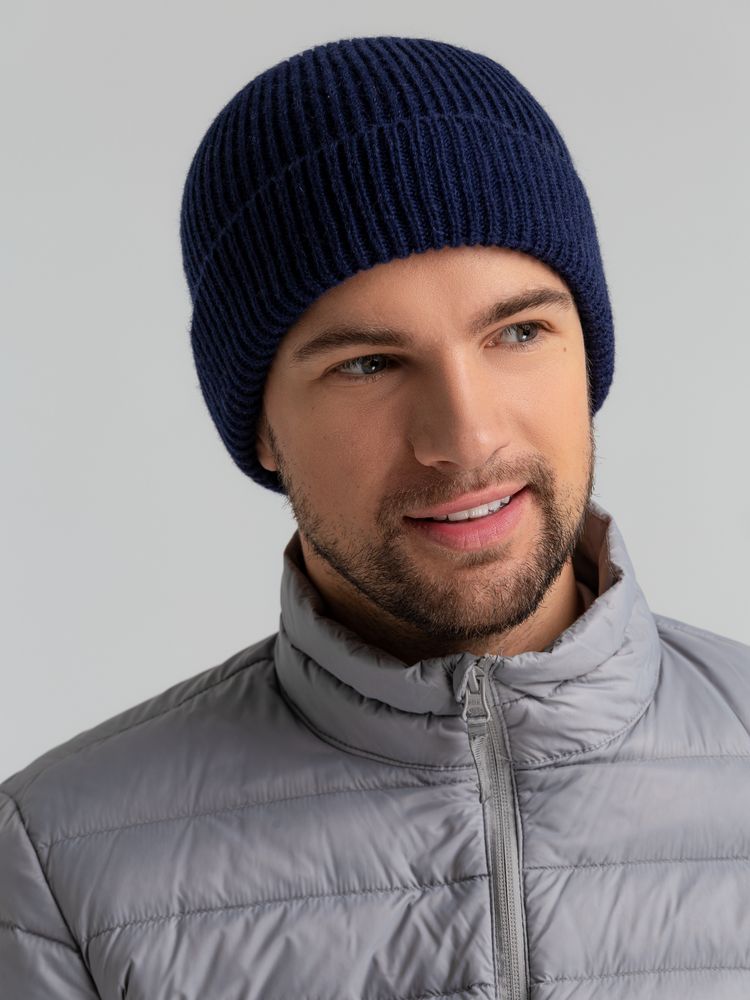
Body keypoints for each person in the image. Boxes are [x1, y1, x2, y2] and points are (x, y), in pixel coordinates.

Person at [2, 34, 748, 1000]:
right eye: (368, 364)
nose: (465, 438)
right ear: (261, 428)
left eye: (519, 331)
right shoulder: (61, 873)